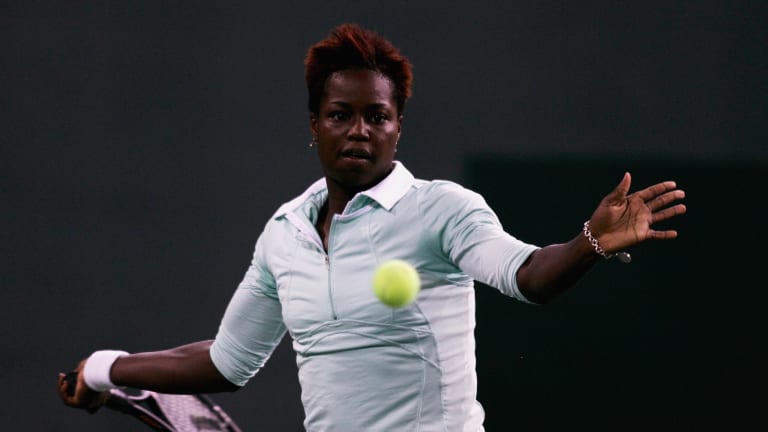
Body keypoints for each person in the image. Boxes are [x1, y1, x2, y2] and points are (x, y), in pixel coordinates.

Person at [57, 23, 687, 431]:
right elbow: (227, 362)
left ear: (397, 127)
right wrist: (106, 368)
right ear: (314, 125)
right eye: (340, 115)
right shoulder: (284, 234)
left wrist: (591, 241)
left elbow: (527, 275)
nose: (359, 129)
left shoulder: (443, 208)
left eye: (377, 116)